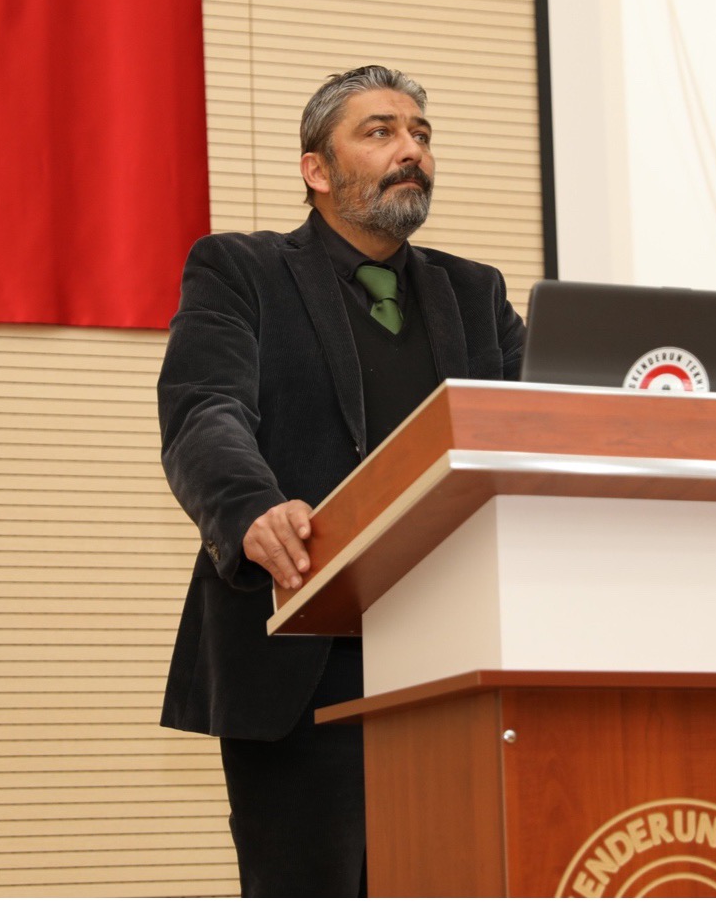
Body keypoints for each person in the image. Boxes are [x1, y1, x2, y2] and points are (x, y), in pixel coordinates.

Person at [156, 65, 526, 896]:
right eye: (380, 131)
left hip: (458, 646)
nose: (411, 149)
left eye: (421, 134)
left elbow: (538, 421)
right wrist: (251, 510)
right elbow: (203, 409)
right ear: (316, 170)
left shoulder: (476, 292)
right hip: (302, 649)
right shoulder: (240, 270)